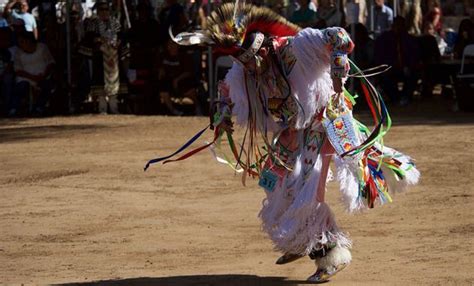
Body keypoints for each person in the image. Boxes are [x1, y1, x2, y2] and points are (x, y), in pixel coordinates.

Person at [149, 3, 420, 283]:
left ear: (263, 46)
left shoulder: (296, 47)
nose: (252, 67)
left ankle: (330, 255)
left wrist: (339, 67)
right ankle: (297, 241)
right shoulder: (245, 70)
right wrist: (222, 115)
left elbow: (340, 36)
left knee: (305, 190)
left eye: (253, 59)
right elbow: (227, 90)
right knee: (277, 185)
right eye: (244, 62)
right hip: (292, 133)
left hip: (321, 124)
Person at [81, 0, 122, 114]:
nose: (104, 12)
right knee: (100, 84)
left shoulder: (115, 22)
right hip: (100, 57)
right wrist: (98, 40)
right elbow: (88, 38)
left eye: (106, 10)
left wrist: (118, 42)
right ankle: (102, 108)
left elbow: (121, 36)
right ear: (98, 11)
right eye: (102, 10)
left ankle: (114, 108)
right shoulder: (93, 23)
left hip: (113, 58)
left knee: (114, 82)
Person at [10, 31, 55, 116]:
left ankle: (39, 108)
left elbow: (51, 63)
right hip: (26, 77)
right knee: (21, 87)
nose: (21, 44)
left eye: (23, 42)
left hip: (42, 76)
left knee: (47, 86)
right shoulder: (18, 53)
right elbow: (18, 70)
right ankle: (14, 108)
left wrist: (44, 75)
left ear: (29, 41)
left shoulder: (42, 48)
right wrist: (32, 77)